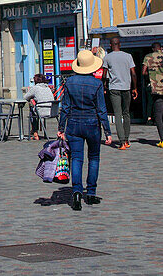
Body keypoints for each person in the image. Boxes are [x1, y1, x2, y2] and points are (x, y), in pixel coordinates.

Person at [58, 49, 113, 211]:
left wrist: (61, 128)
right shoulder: (96, 84)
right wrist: (108, 132)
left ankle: (76, 192)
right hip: (92, 124)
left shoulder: (69, 83)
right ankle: (90, 193)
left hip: (74, 124)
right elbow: (101, 110)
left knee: (76, 158)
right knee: (94, 158)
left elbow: (65, 107)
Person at [102, 37, 137, 149]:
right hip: (126, 87)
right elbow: (133, 73)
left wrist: (104, 85)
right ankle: (126, 139)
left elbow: (104, 74)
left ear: (111, 45)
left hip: (114, 88)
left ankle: (121, 142)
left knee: (118, 114)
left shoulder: (107, 57)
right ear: (120, 45)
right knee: (126, 113)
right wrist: (134, 88)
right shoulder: (128, 56)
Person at [24, 74, 55, 140]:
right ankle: (36, 131)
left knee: (32, 111)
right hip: (52, 111)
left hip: (41, 111)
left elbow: (25, 97)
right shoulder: (47, 87)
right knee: (35, 110)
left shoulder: (35, 88)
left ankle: (35, 133)